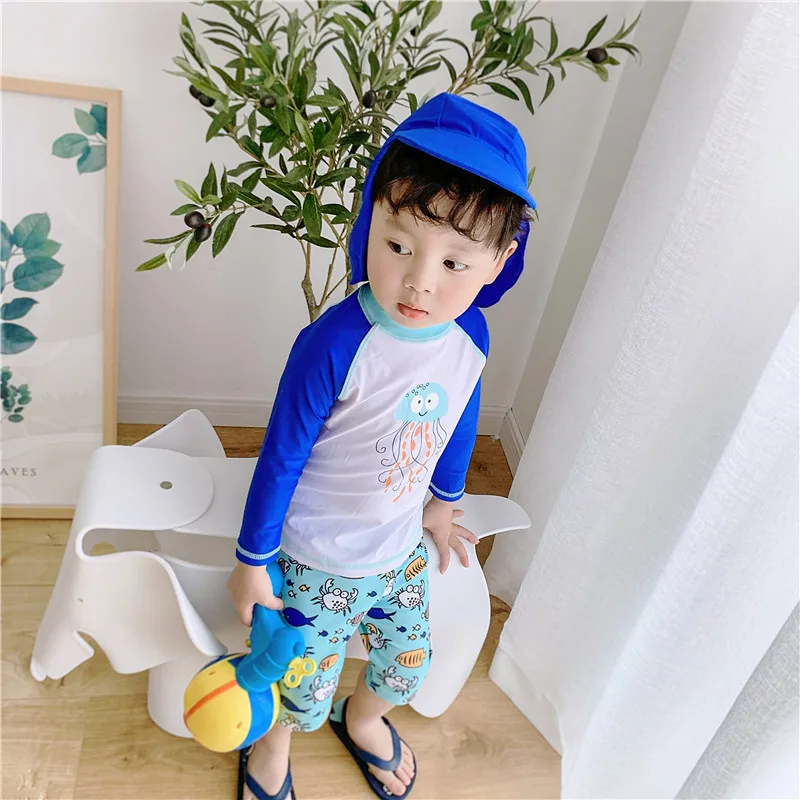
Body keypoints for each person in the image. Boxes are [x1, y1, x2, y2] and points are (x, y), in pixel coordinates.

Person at [227, 92, 537, 800]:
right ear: (370, 224)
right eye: (399, 246)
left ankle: (362, 717)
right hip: (314, 560)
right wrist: (251, 562)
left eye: (456, 263)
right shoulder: (335, 343)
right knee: (298, 684)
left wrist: (443, 502)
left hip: (396, 554)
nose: (420, 281)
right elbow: (281, 454)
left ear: (498, 262)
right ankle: (272, 748)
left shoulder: (470, 335)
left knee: (406, 666)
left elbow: (459, 416)